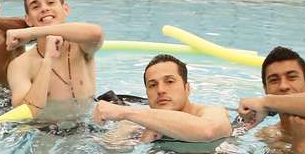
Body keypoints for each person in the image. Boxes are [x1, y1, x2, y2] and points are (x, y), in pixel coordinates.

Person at [5, 0, 104, 119]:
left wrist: (33, 33)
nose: (44, 8)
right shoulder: (20, 65)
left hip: (91, 122)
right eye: (35, 6)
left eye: (51, 2)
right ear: (28, 20)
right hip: (50, 131)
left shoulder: (81, 46)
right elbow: (25, 113)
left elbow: (96, 33)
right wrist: (48, 60)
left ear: (66, 9)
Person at [92, 54, 231, 143]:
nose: (160, 90)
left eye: (170, 81)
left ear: (187, 88)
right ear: (147, 94)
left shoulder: (212, 112)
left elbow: (208, 131)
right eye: (152, 85)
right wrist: (142, 142)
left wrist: (125, 112)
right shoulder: (134, 124)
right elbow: (107, 152)